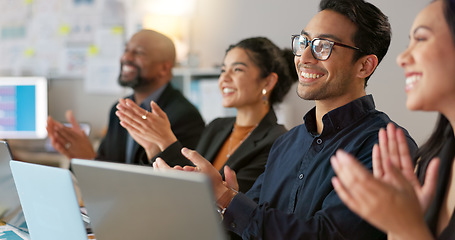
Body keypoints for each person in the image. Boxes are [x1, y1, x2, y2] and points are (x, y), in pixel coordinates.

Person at [154, 0, 419, 239]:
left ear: (365, 66)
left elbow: (328, 235)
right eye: (304, 42)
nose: (303, 57)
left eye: (323, 46)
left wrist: (226, 199)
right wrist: (224, 200)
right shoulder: (287, 143)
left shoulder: (384, 146)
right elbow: (251, 219)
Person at [330, 0, 455, 239]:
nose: (402, 58)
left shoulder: (378, 139)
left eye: (421, 39)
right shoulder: (429, 161)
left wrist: (405, 226)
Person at [115, 37, 297, 193]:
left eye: (237, 70)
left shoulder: (278, 142)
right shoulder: (217, 127)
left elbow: (231, 200)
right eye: (223, 70)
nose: (224, 79)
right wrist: (154, 149)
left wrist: (167, 142)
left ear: (268, 81)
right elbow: (180, 191)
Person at [46, 29, 205, 164]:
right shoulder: (118, 110)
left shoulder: (185, 116)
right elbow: (111, 173)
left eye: (139, 53)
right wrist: (84, 158)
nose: (126, 58)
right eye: (126, 50)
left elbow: (179, 183)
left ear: (164, 68)